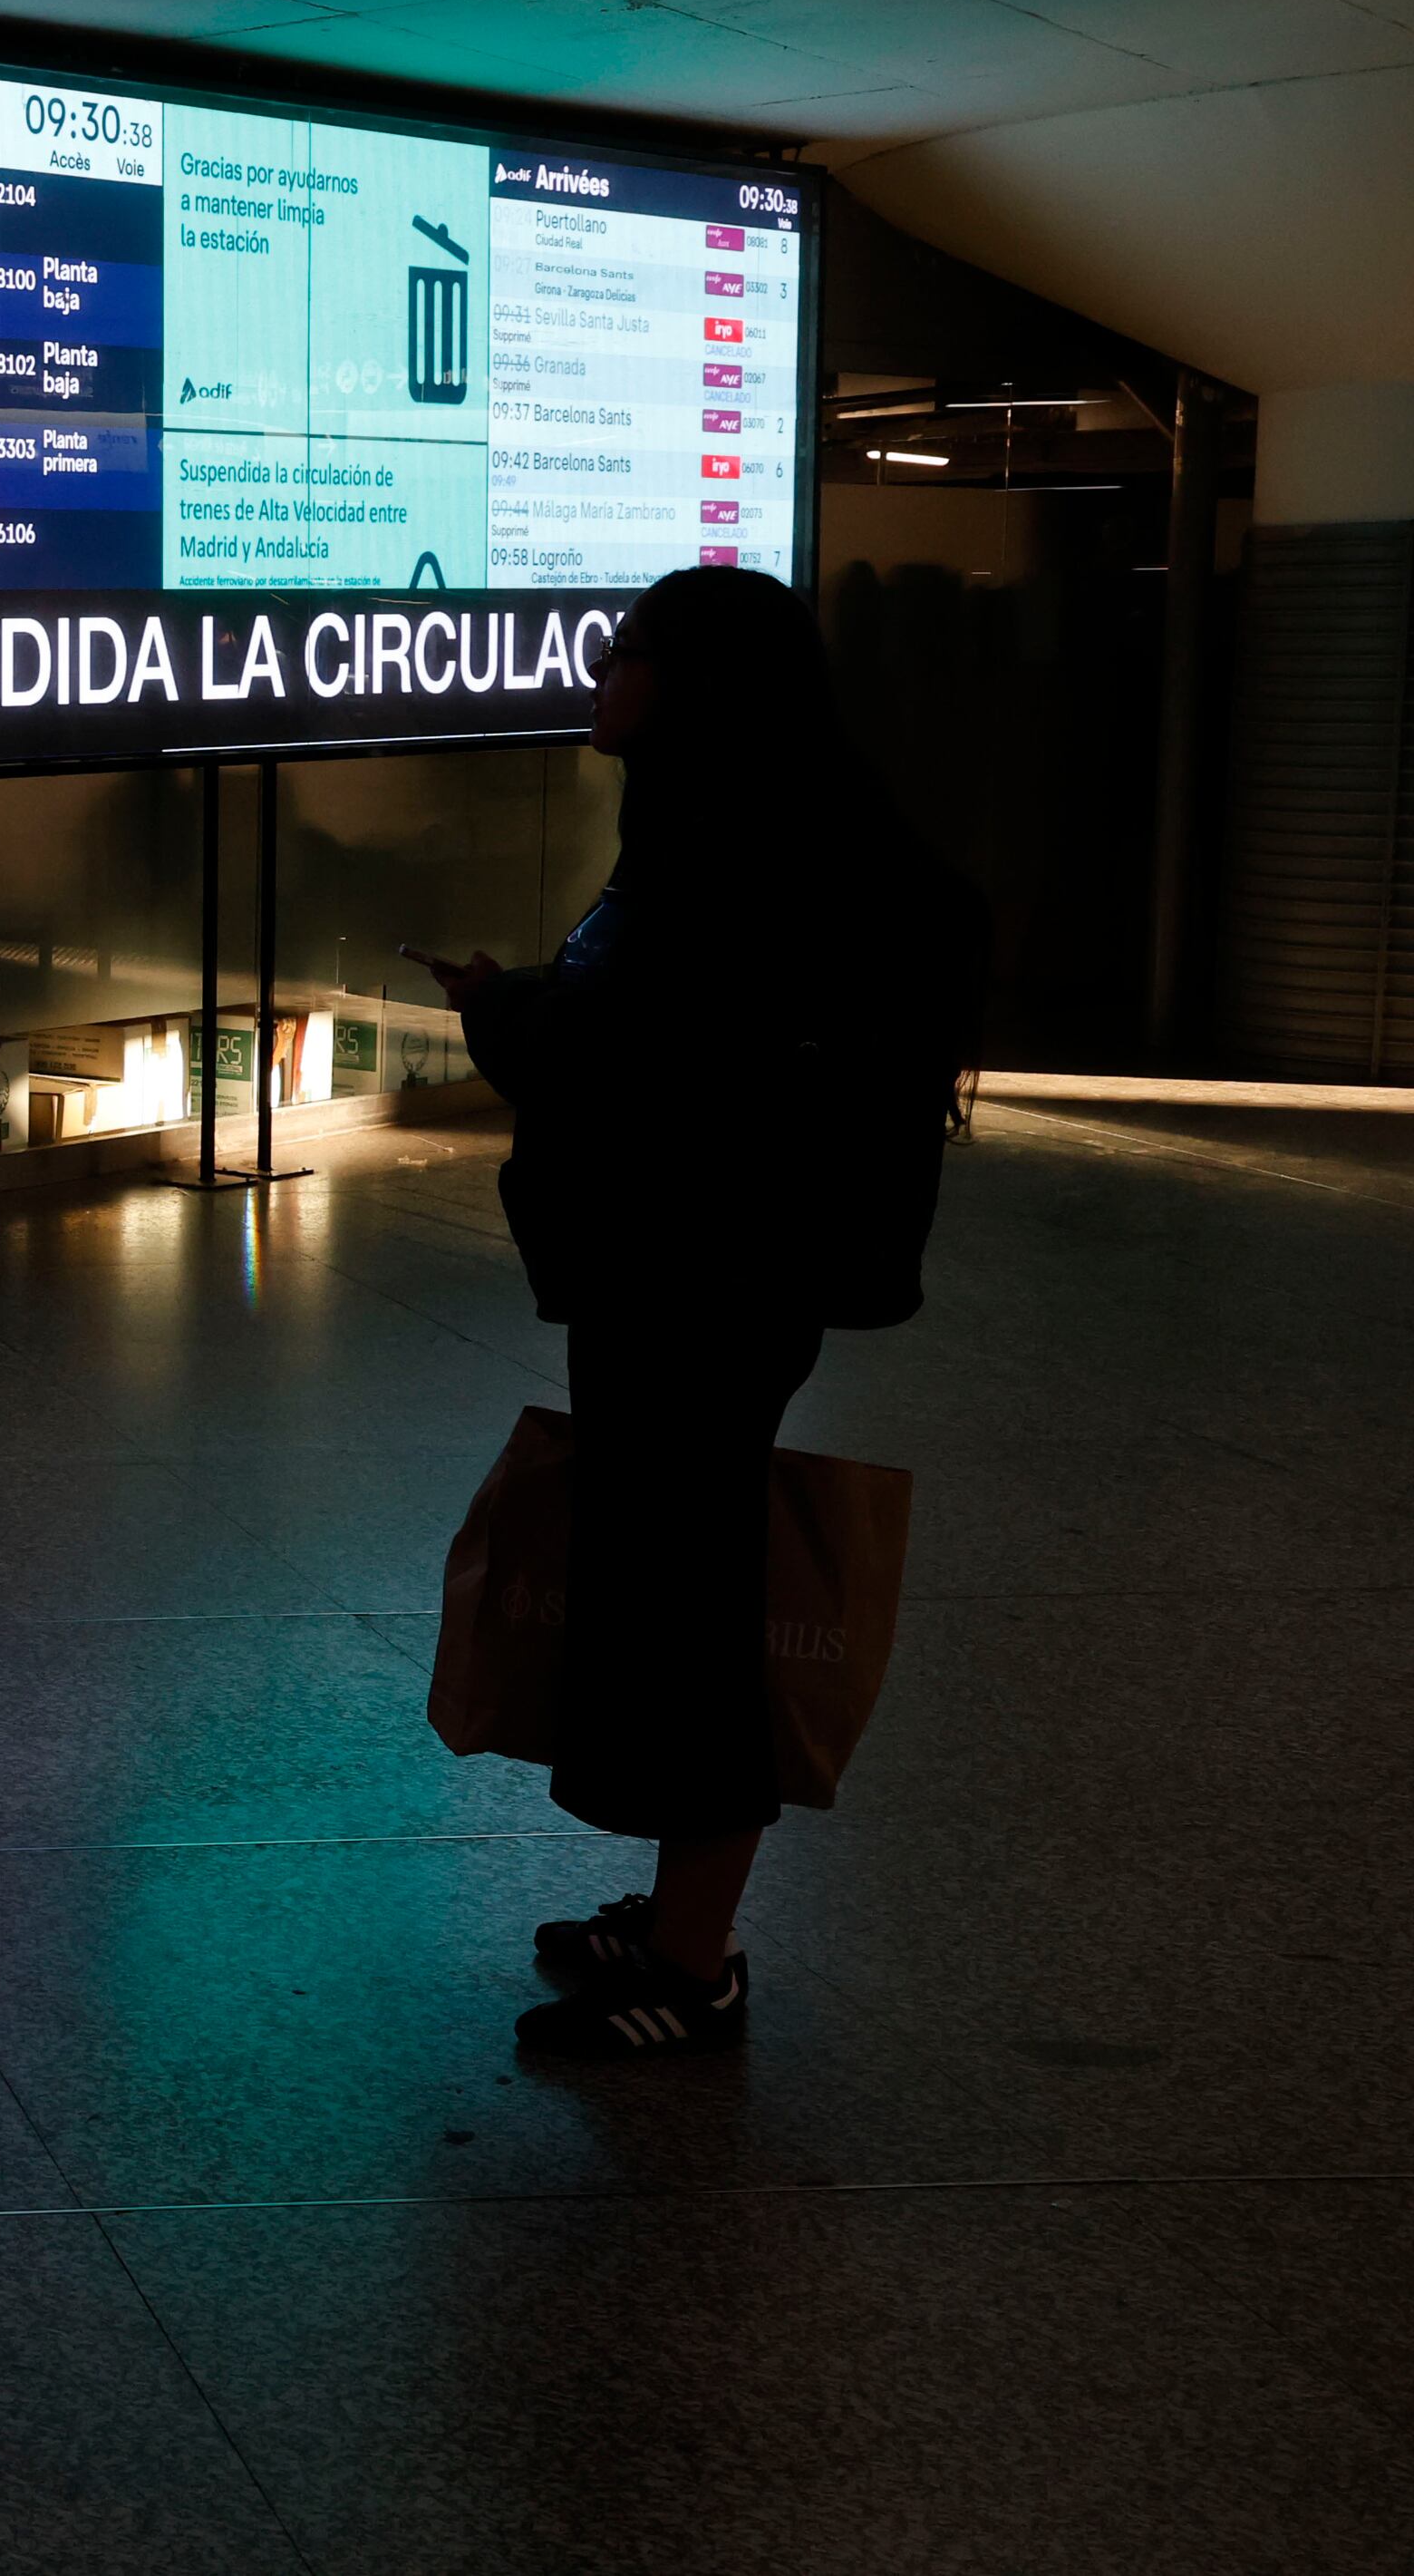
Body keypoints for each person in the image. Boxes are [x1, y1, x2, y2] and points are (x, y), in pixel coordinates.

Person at [411, 565, 983, 2063]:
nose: (601, 670)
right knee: (668, 1589)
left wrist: (505, 1021)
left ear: (695, 686)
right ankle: (670, 1917)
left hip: (707, 1287)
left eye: (629, 653)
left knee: (692, 1609)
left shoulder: (741, 857)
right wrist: (520, 1005)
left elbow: (640, 1059)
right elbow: (639, 1027)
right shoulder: (733, 827)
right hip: (697, 1280)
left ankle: (695, 1962)